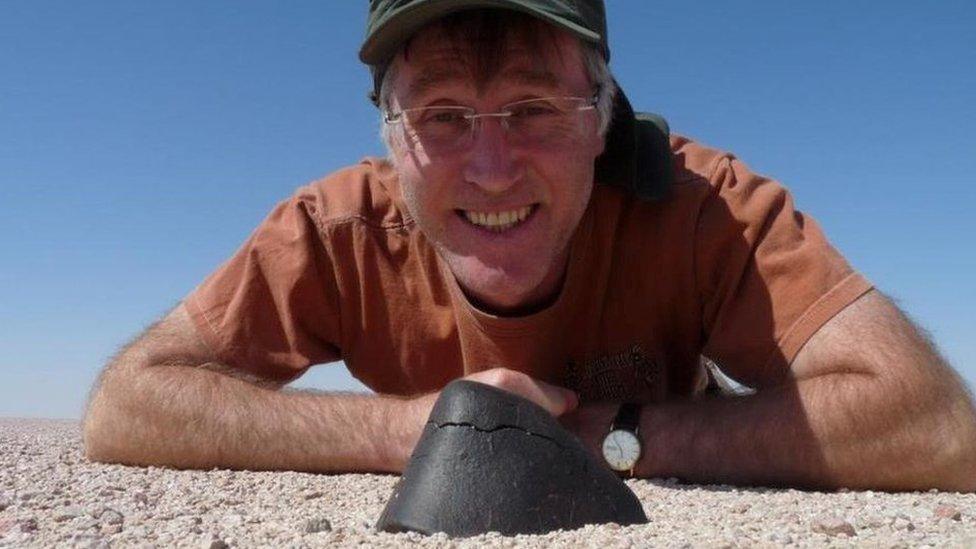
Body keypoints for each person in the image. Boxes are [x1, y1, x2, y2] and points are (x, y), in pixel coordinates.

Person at [83, 1, 976, 491]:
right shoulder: (336, 229)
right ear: (393, 139)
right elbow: (128, 404)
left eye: (534, 109)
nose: (493, 167)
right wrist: (427, 426)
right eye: (441, 117)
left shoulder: (705, 206)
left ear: (603, 121)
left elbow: (932, 420)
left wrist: (607, 435)